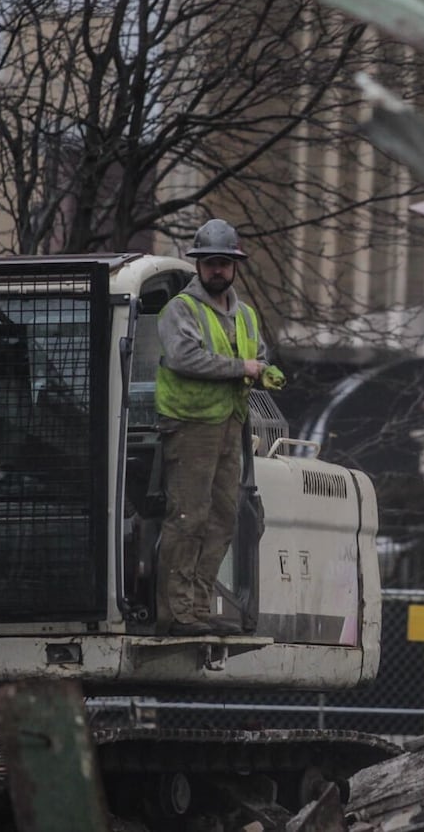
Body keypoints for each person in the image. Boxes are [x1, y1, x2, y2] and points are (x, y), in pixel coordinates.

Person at [154, 218, 268, 637]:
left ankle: (199, 607)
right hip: (191, 427)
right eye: (210, 263)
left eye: (224, 262)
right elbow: (186, 358)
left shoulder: (246, 316)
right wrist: (243, 368)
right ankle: (177, 611)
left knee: (223, 518)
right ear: (199, 266)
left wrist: (262, 371)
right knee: (188, 516)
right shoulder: (180, 309)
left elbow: (260, 356)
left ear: (235, 266)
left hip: (228, 426)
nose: (217, 270)